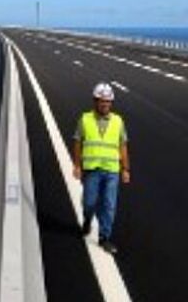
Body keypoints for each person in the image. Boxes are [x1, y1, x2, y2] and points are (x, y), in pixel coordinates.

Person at [72, 82, 130, 254]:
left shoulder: (118, 121)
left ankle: (105, 237)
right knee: (89, 202)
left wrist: (125, 169)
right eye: (102, 101)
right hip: (92, 169)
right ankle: (88, 219)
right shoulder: (85, 119)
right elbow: (77, 142)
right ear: (95, 101)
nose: (105, 104)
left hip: (112, 170)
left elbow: (123, 146)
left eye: (108, 101)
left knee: (109, 205)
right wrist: (77, 165)